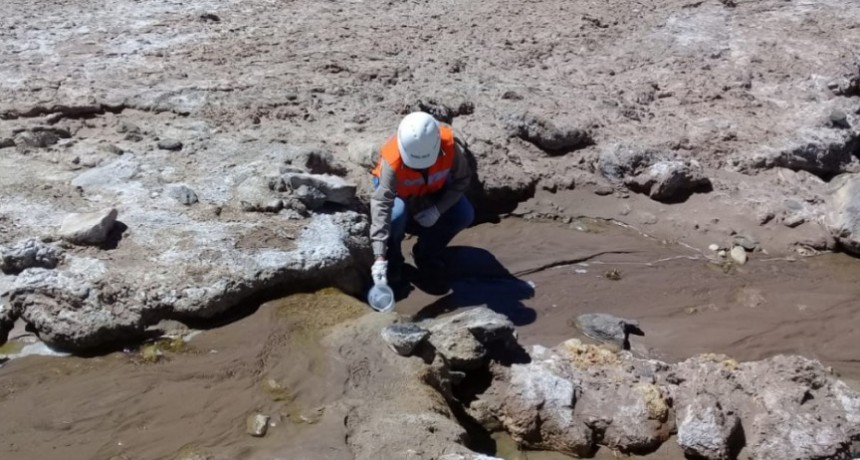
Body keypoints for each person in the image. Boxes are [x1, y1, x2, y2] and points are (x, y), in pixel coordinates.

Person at [369, 111, 474, 289]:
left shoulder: (448, 146)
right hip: (399, 194)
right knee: (395, 215)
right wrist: (379, 256)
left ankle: (426, 253)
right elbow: (381, 205)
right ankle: (393, 261)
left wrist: (438, 209)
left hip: (434, 188)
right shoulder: (392, 159)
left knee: (463, 214)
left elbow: (463, 179)